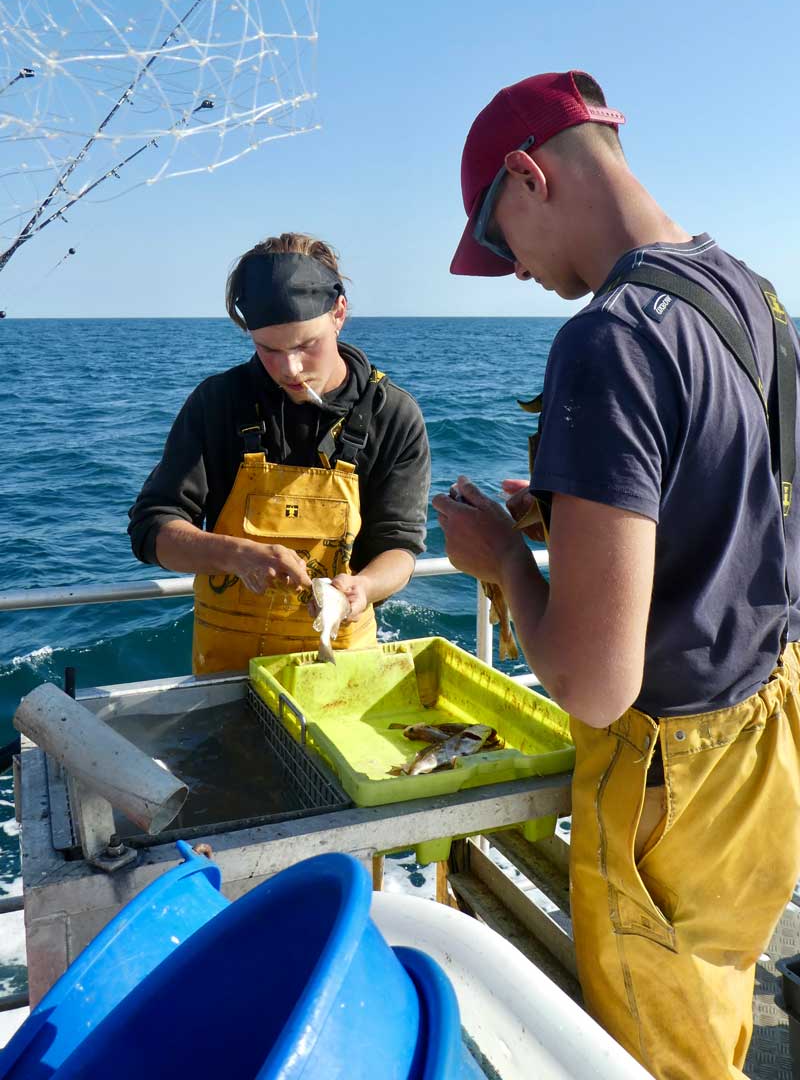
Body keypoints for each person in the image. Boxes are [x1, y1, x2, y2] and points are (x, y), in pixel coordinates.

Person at [432, 70, 800, 1079]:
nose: (510, 272)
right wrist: (570, 513)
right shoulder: (747, 292)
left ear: (526, 173)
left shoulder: (608, 339)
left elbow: (595, 684)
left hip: (667, 776)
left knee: (657, 1061)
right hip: (767, 733)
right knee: (715, 999)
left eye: (497, 240)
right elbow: (738, 503)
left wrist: (505, 559)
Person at [128, 232, 430, 674]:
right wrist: (236, 555)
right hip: (227, 671)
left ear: (339, 313)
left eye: (306, 345)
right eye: (268, 349)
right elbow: (151, 531)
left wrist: (362, 588)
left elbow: (400, 548)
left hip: (344, 664)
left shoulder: (395, 415)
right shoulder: (218, 403)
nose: (290, 369)